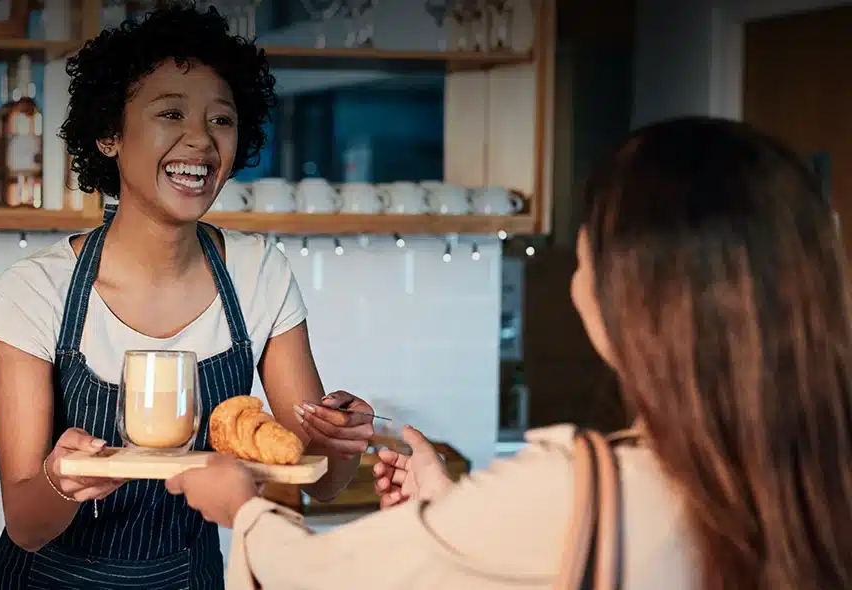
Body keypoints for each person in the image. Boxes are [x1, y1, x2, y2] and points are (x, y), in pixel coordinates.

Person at [167, 116, 852, 590]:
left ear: (635, 299)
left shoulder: (579, 484)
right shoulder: (819, 479)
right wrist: (448, 509)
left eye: (589, 255)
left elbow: (330, 576)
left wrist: (244, 511)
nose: (579, 276)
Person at [0, 4, 375, 588]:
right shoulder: (37, 290)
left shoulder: (257, 272)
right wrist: (61, 483)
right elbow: (26, 524)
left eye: (222, 120)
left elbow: (314, 478)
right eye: (170, 113)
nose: (201, 141)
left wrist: (343, 443)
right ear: (109, 134)